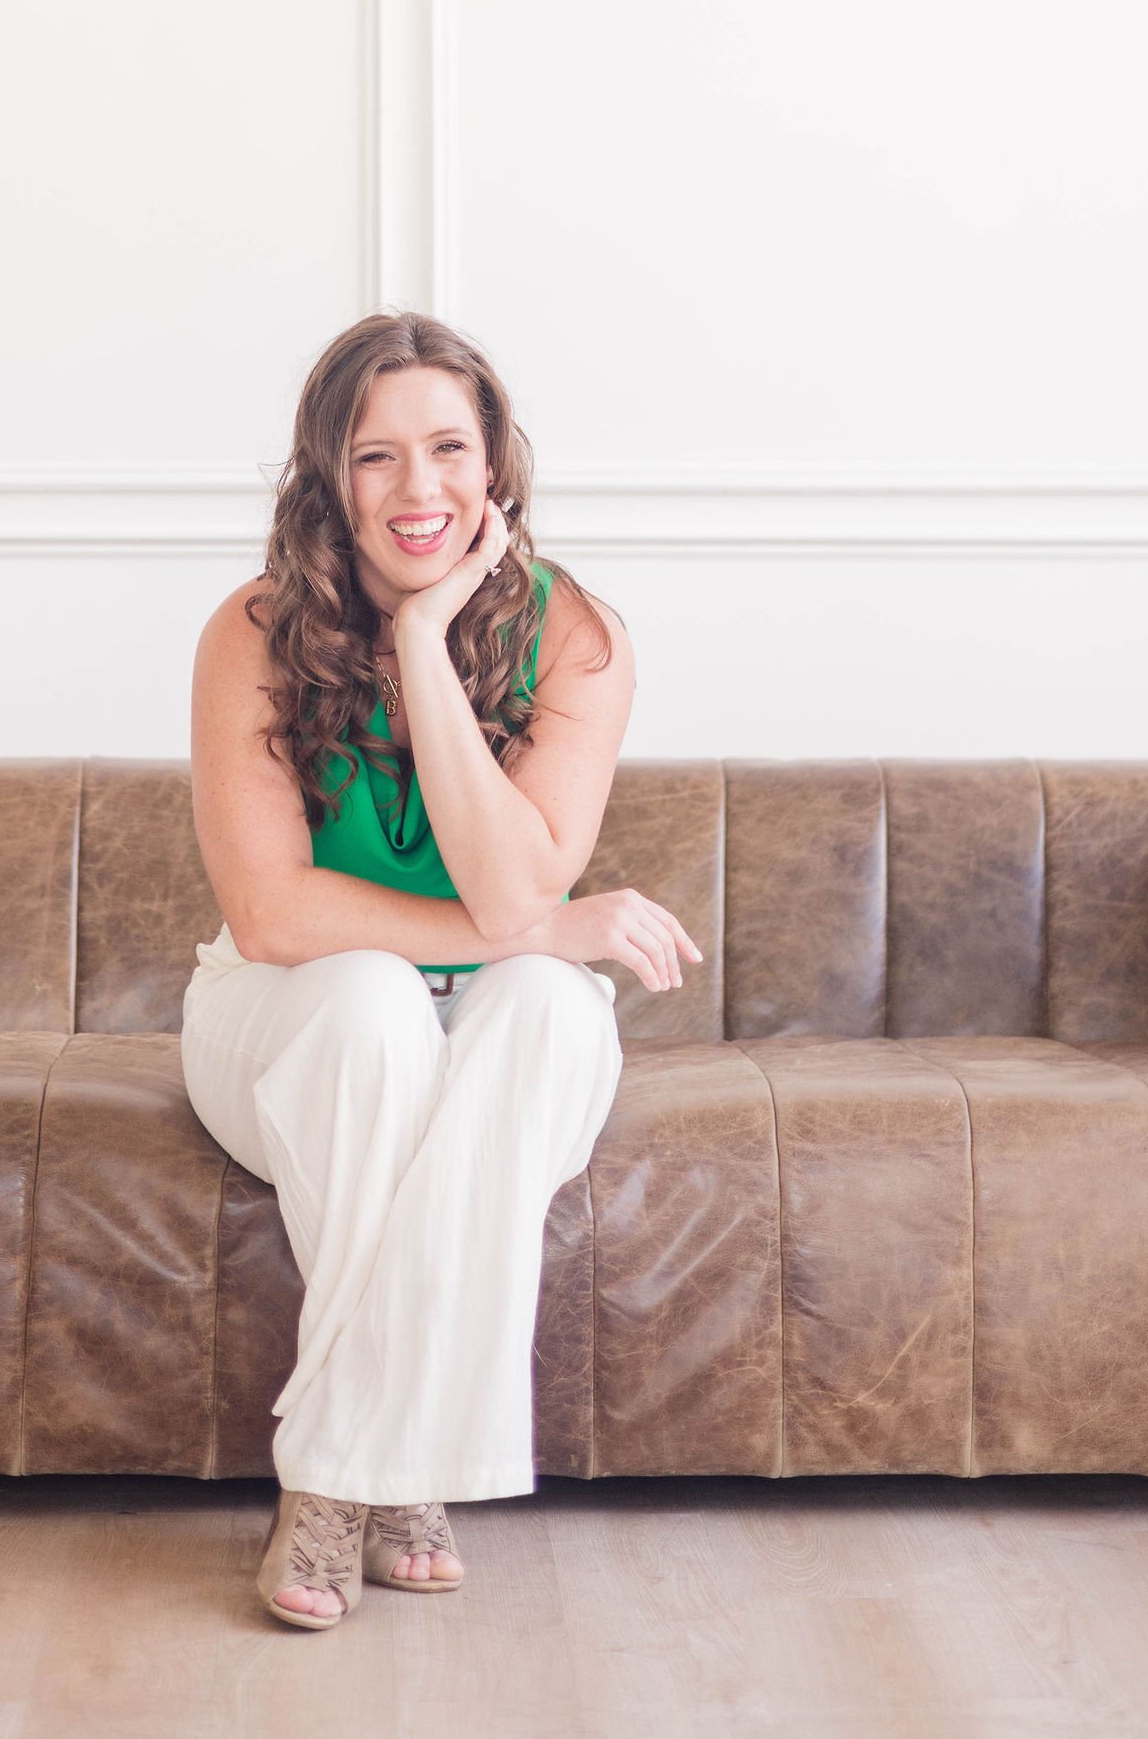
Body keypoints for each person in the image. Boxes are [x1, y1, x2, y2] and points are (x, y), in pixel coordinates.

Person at [182, 309, 702, 1631]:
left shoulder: (572, 634)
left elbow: (516, 892)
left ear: (495, 466)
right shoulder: (251, 632)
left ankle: (349, 1474)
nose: (420, 489)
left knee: (535, 1001)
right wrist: (546, 927)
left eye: (449, 450)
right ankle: (396, 1467)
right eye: (377, 457)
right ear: (327, 478)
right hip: (288, 1015)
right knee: (369, 1003)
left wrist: (425, 641)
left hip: (502, 1003)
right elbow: (272, 917)